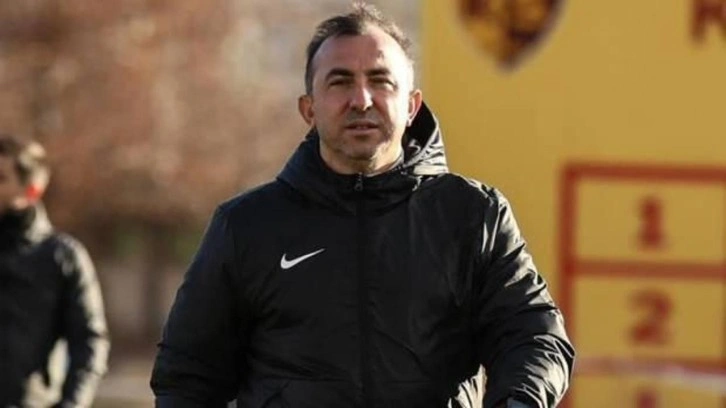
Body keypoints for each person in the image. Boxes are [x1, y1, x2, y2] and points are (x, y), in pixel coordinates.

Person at [151, 3, 574, 407]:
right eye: (340, 82)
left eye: (380, 81)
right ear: (308, 109)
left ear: (412, 106)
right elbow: (188, 375)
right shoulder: (246, 226)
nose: (362, 100)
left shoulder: (473, 216)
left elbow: (534, 336)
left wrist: (520, 400)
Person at [0, 134, 110, 407]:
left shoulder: (62, 257)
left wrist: (72, 404)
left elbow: (90, 343)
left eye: (0, 179)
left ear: (31, 190)